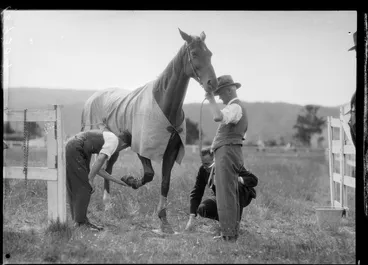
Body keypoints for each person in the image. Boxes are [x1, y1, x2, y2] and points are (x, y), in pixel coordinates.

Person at [205, 75, 249, 242]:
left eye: (221, 93)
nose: (220, 98)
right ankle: (230, 233)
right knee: (228, 193)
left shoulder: (235, 107)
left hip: (228, 153)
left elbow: (218, 116)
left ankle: (229, 235)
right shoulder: (237, 108)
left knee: (226, 194)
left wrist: (210, 100)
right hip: (228, 152)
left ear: (231, 90)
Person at [65, 128, 129, 231]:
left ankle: (78, 221)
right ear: (124, 145)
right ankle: (81, 223)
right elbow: (99, 160)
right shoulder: (114, 141)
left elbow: (99, 169)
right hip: (77, 147)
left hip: (73, 145)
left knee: (76, 186)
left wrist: (119, 181)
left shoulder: (108, 138)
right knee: (84, 186)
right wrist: (90, 179)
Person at [184, 147, 258, 232]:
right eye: (203, 163)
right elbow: (197, 191)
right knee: (202, 209)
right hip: (221, 197)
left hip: (242, 195)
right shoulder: (203, 170)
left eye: (207, 164)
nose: (204, 167)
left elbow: (253, 179)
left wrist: (237, 179)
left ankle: (234, 227)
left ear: (215, 160)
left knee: (236, 185)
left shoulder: (230, 164)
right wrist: (191, 218)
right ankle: (226, 223)